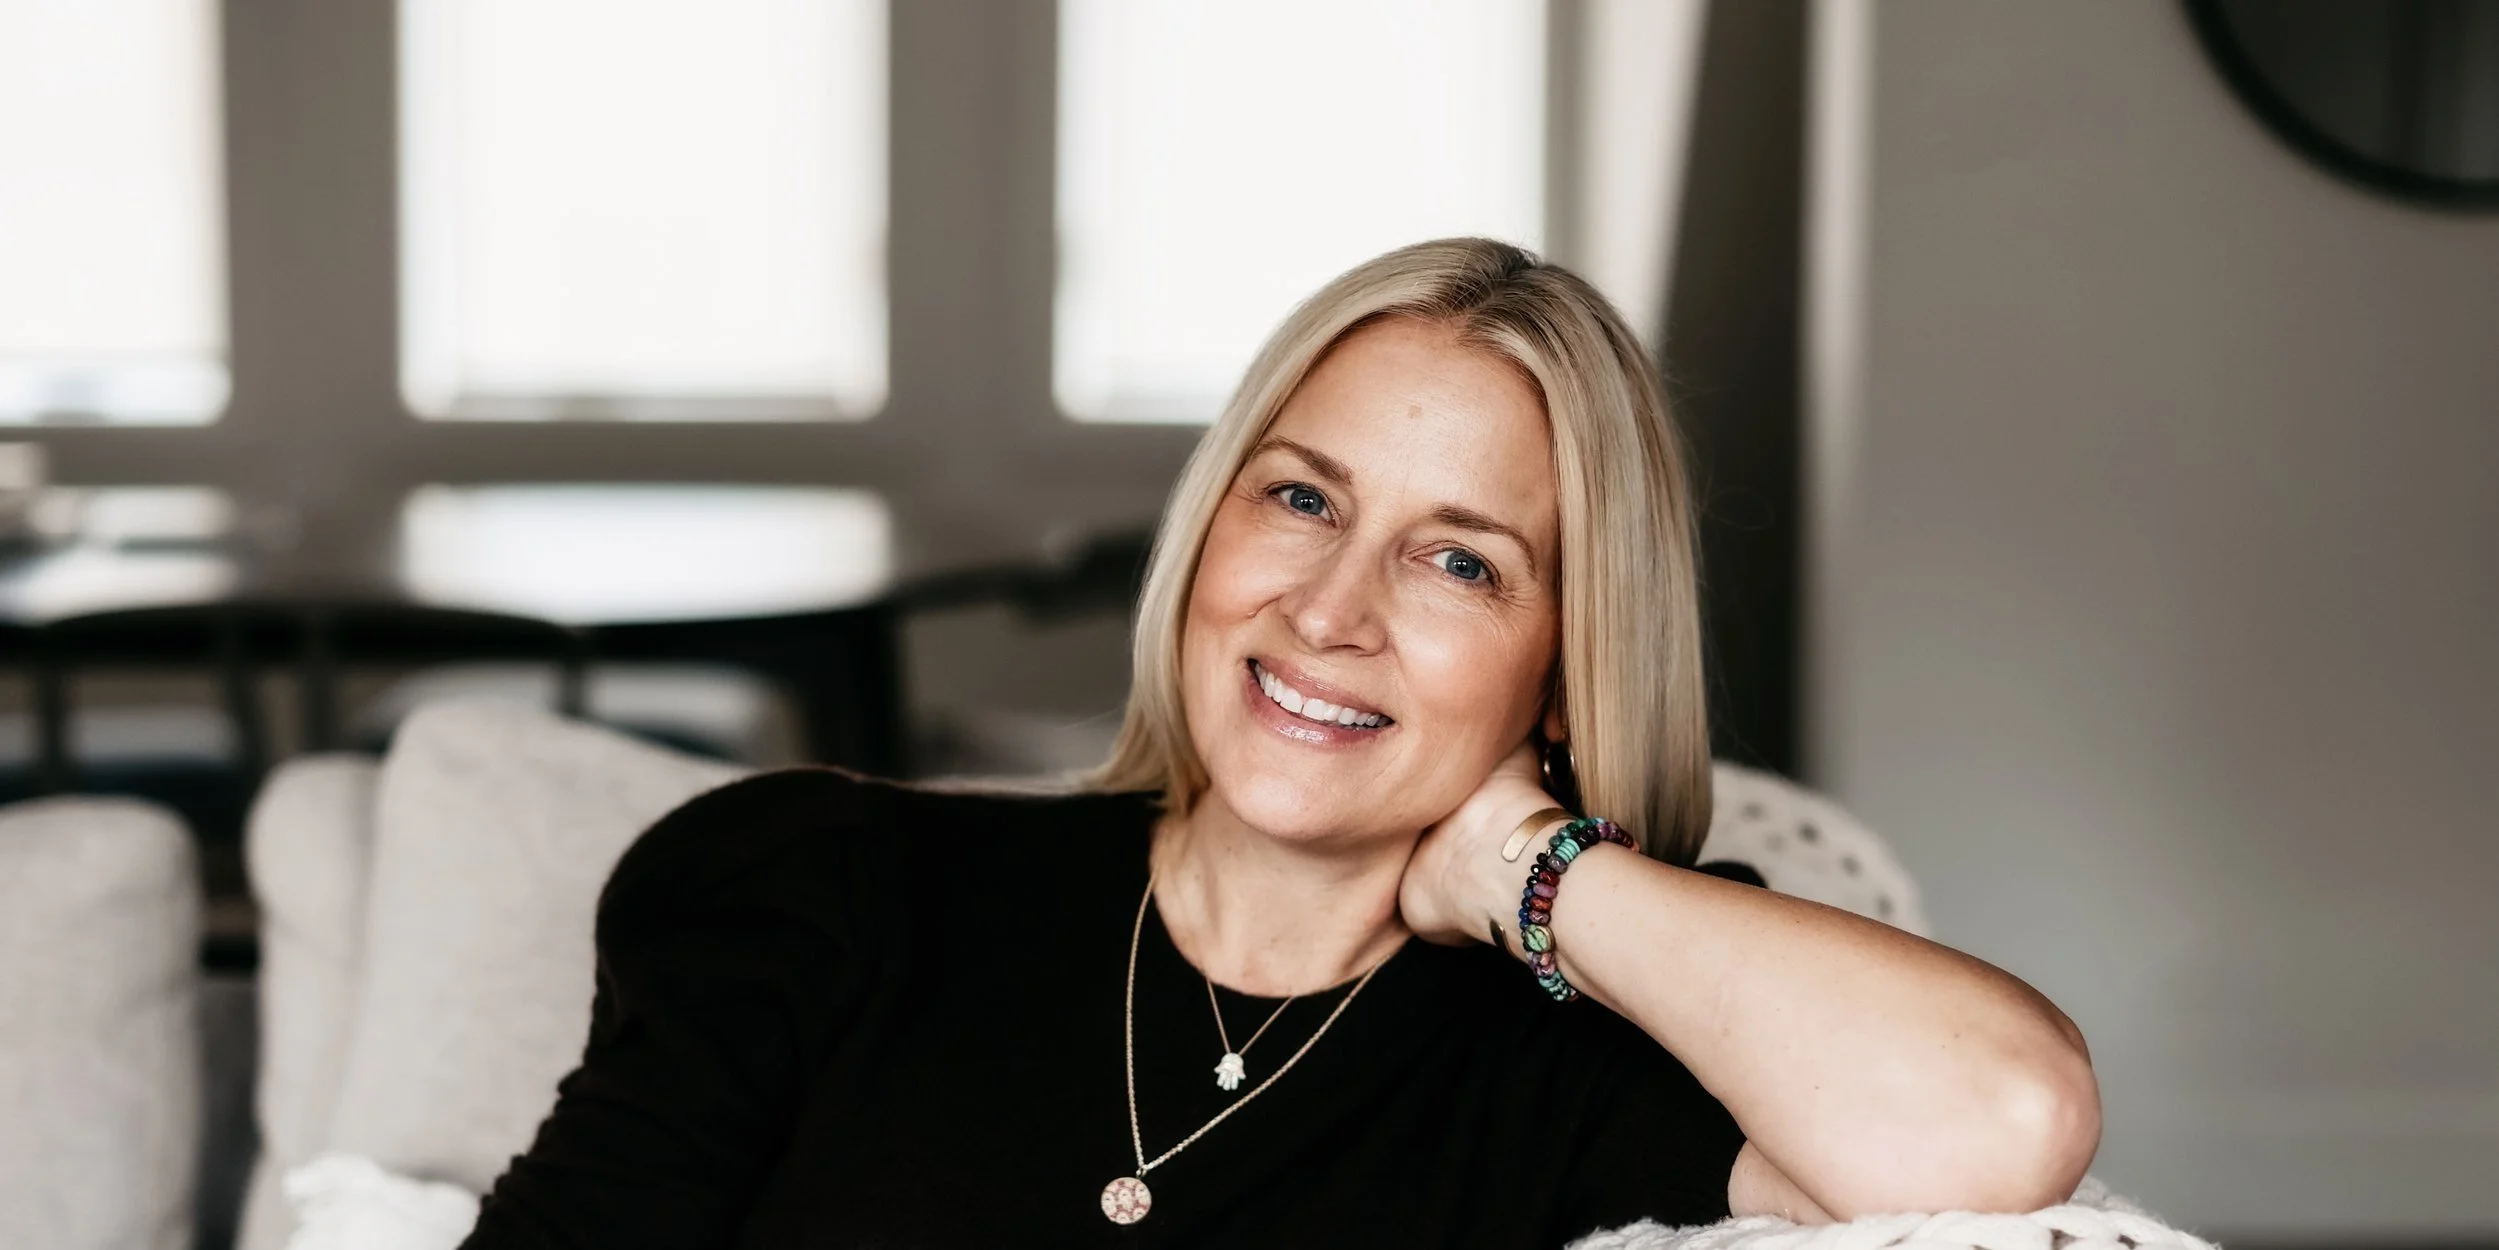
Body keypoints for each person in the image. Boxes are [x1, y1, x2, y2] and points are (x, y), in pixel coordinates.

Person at [458, 238, 2100, 1248]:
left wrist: (1525, 868)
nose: (1330, 606)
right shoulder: (822, 892)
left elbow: (2001, 1122)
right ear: (1209, 528)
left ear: (1559, 668)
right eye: (1301, 497)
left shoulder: (1568, 1048)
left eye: (1460, 558)